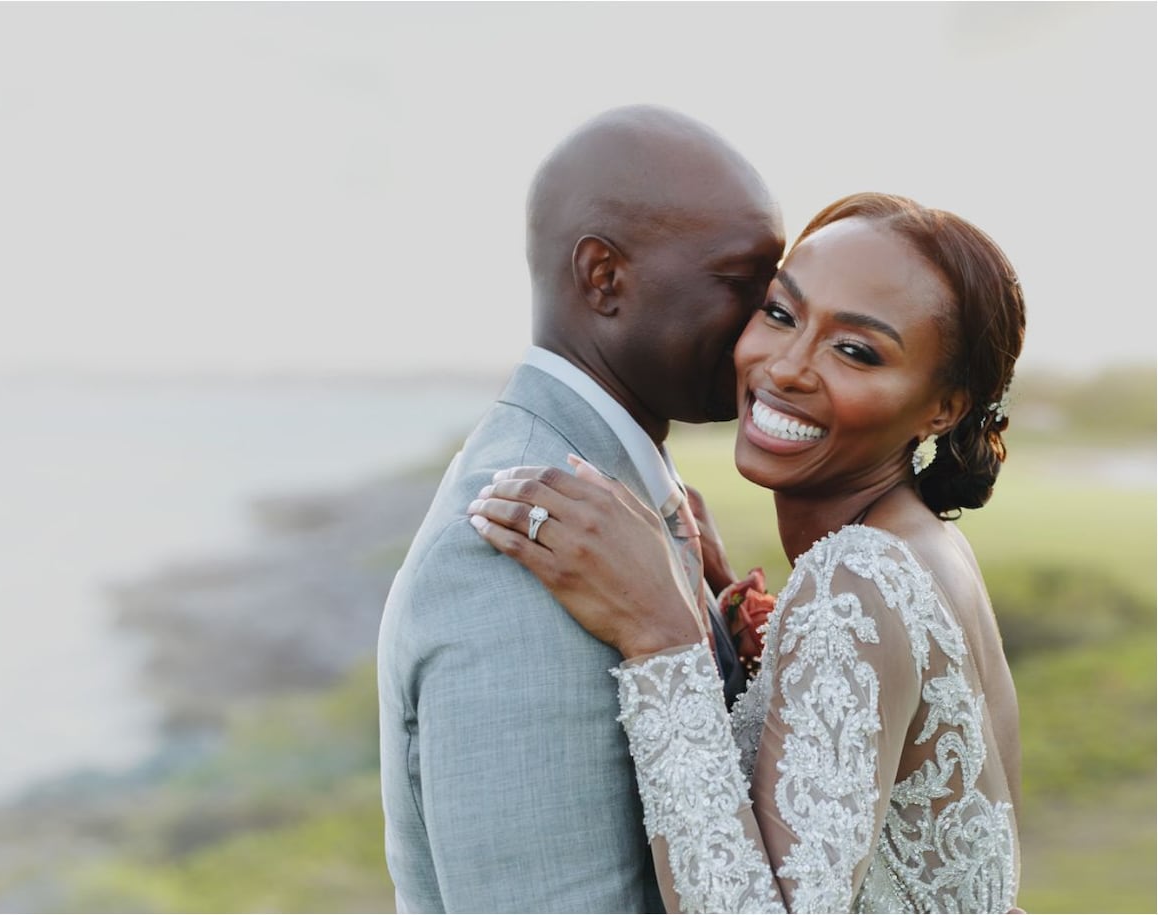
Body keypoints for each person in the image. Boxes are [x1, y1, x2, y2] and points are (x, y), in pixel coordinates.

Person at [468, 192, 1025, 912]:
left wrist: (660, 632)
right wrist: (745, 639)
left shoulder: (857, 580)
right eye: (781, 313)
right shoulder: (930, 546)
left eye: (856, 350)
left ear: (943, 407)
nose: (788, 366)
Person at [376, 105, 784, 912]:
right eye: (743, 286)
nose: (771, 329)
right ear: (604, 277)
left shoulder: (622, 505)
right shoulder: (519, 544)